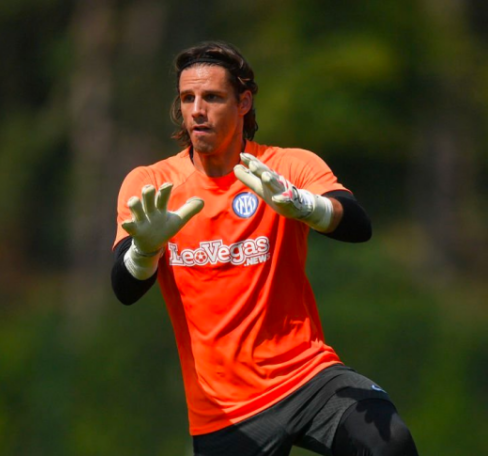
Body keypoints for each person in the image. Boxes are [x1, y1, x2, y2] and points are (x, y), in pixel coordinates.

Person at [110, 41, 419, 456]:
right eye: (188, 98)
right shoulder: (153, 184)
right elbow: (124, 288)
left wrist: (303, 206)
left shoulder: (283, 168)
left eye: (213, 97)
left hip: (308, 376)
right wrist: (145, 251)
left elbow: (357, 223)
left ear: (244, 102)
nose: (197, 110)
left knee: (389, 442)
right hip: (224, 409)